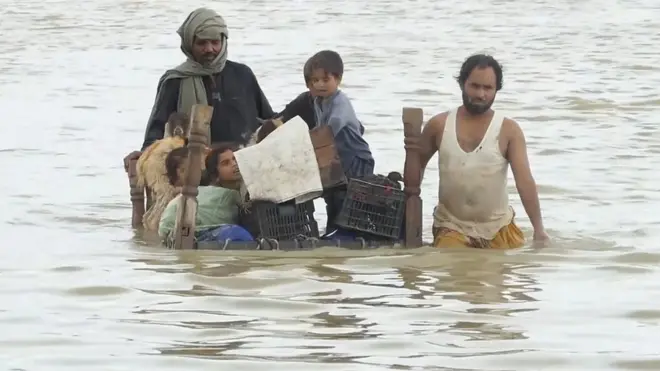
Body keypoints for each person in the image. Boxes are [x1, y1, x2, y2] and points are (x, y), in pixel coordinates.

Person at [418, 54, 549, 249]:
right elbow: (415, 168)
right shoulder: (439, 125)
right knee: (449, 269)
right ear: (463, 84)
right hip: (451, 227)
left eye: (488, 88)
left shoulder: (508, 130)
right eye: (475, 86)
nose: (481, 94)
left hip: (499, 228)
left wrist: (539, 230)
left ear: (497, 90)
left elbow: (524, 182)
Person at [123, 7, 274, 171]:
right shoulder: (175, 81)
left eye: (215, 42)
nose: (209, 49)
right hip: (198, 172)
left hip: (244, 164)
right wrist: (144, 155)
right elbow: (157, 130)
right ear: (189, 44)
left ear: (223, 42)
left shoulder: (242, 74)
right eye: (202, 43)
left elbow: (267, 120)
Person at [304, 50, 375, 233]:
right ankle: (333, 230)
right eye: (315, 81)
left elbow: (331, 128)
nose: (320, 85)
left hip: (356, 158)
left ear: (338, 79)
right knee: (332, 195)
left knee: (349, 198)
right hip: (339, 158)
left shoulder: (340, 101)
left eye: (325, 80)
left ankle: (347, 233)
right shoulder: (319, 102)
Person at [158, 144, 253, 242]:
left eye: (235, 159)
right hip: (180, 230)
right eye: (226, 163)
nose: (234, 164)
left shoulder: (199, 191)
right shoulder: (229, 195)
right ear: (215, 176)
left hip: (169, 231)